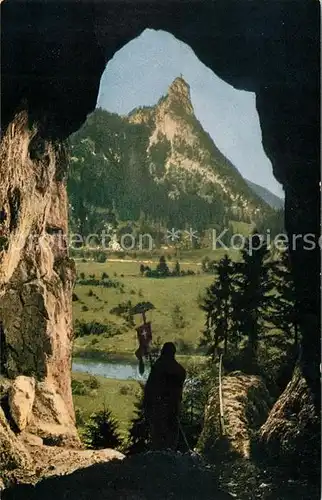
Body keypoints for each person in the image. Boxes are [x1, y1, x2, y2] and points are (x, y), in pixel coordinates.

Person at [144, 342, 186, 450]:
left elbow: (150, 388)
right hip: (173, 407)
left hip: (159, 407)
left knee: (158, 436)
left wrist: (147, 405)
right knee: (171, 436)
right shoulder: (180, 370)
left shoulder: (158, 367)